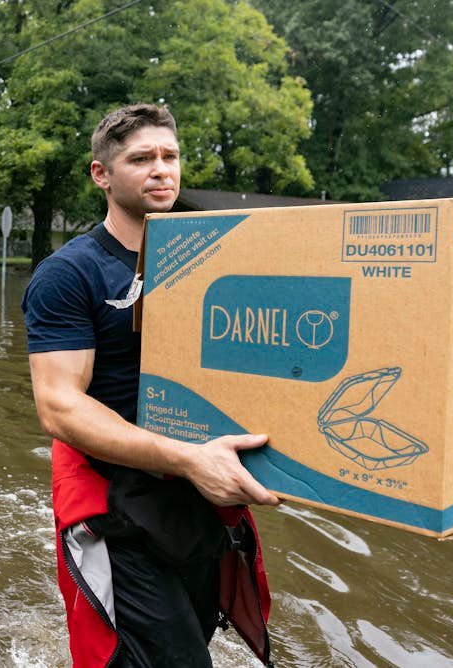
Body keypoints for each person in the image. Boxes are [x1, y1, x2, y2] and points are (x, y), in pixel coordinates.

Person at [22, 104, 278, 667]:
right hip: (115, 500)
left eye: (170, 156)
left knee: (196, 634)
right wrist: (187, 459)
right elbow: (60, 407)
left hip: (197, 491)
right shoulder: (71, 273)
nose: (162, 170)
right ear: (102, 175)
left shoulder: (211, 261)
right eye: (141, 159)